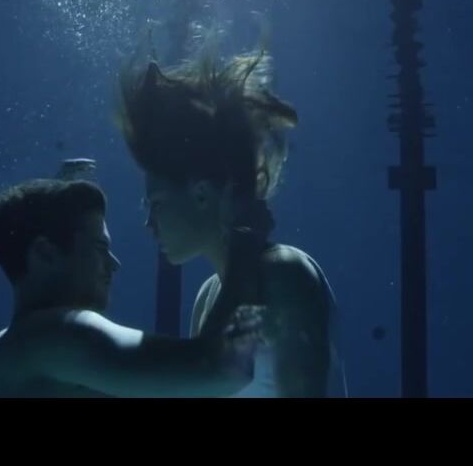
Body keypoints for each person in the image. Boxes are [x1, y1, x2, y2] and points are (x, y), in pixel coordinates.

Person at [115, 36, 348, 398]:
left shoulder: (287, 273)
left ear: (202, 194)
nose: (149, 225)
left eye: (155, 204)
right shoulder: (208, 296)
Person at [0, 174, 264, 398]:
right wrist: (245, 254)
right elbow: (221, 370)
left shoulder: (5, 349)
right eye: (100, 248)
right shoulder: (55, 335)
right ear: (45, 253)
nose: (114, 264)